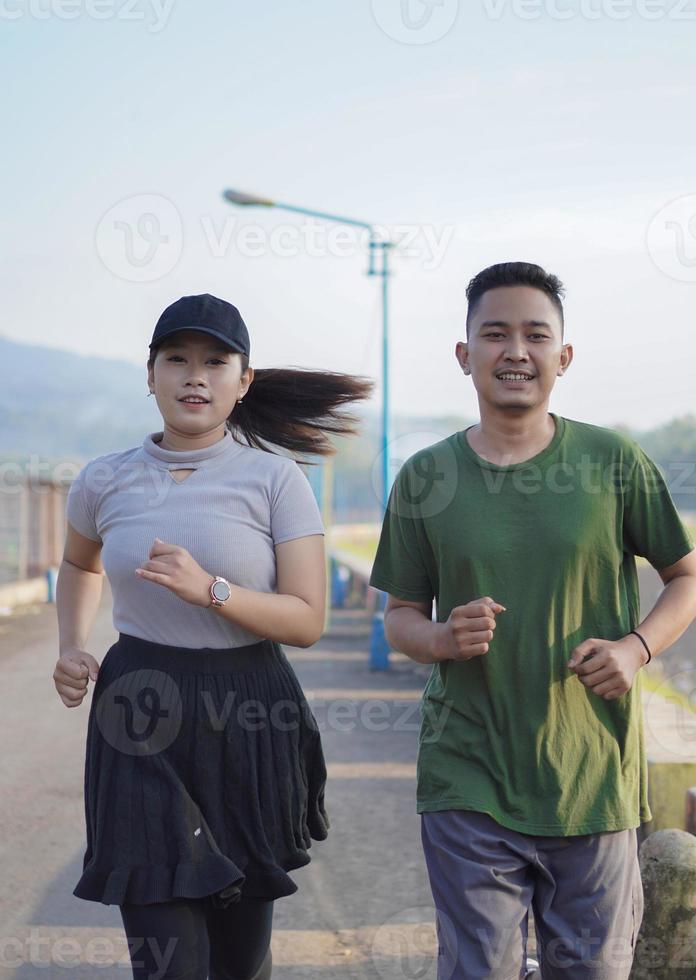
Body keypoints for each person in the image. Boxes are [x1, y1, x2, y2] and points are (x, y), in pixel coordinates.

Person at [368, 262, 696, 980]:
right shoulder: (426, 477)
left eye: (535, 334)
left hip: (594, 781)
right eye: (495, 333)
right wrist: (442, 637)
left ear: (562, 357)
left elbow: (685, 577)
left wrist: (638, 649)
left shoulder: (613, 462)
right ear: (465, 356)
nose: (515, 350)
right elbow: (398, 617)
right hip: (468, 778)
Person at [53, 293, 373, 980]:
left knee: (238, 960)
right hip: (138, 710)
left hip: (250, 711)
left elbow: (308, 619)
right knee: (166, 960)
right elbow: (78, 563)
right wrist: (71, 644)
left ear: (243, 380)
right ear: (150, 374)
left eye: (215, 362)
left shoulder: (275, 480)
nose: (195, 376)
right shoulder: (103, 479)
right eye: (177, 360)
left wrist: (213, 591)